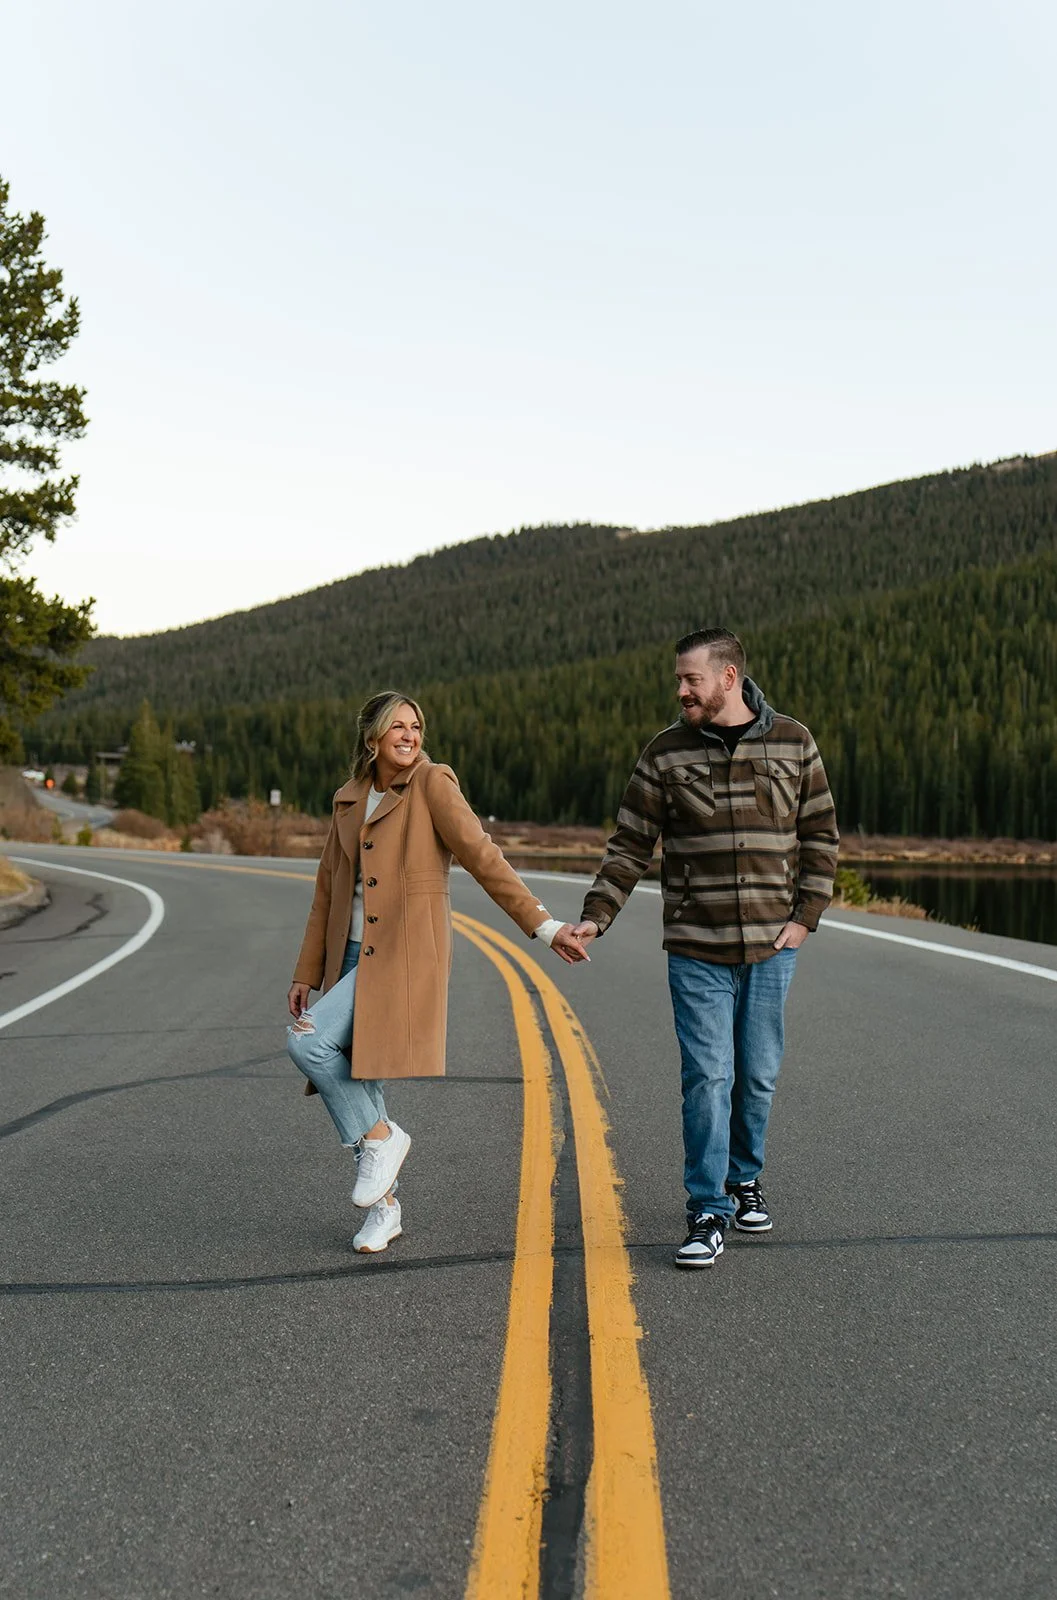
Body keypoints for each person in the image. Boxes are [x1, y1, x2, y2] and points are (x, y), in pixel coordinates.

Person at [570, 629, 838, 1269]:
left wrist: (806, 917)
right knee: (708, 1077)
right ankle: (707, 1211)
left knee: (759, 1075)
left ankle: (746, 1177)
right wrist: (596, 915)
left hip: (774, 948)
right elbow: (630, 844)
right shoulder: (664, 753)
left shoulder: (794, 742)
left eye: (690, 679)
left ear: (729, 677)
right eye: (678, 680)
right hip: (696, 948)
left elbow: (821, 834)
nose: (681, 690)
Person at [286, 690, 587, 1253]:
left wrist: (544, 927)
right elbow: (328, 892)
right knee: (359, 1075)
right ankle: (386, 1209)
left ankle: (384, 1138)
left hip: (399, 954)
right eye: (397, 726)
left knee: (307, 1044)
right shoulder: (349, 799)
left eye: (416, 726)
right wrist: (307, 970)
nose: (410, 735)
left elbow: (483, 856)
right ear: (372, 737)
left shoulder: (431, 783)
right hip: (349, 957)